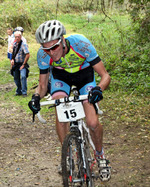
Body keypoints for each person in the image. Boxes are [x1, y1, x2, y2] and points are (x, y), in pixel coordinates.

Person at [28, 20, 111, 181]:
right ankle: (67, 156)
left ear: (62, 39)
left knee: (93, 123)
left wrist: (98, 89)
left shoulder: (81, 44)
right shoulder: (43, 54)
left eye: (54, 47)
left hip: (85, 77)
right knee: (59, 106)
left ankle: (100, 155)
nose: (51, 53)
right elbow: (43, 84)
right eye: (46, 48)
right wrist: (36, 96)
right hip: (61, 78)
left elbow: (105, 76)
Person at [11, 31, 30, 96]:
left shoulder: (23, 44)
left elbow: (27, 55)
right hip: (16, 64)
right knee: (16, 78)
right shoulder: (14, 44)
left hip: (22, 63)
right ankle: (19, 91)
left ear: (21, 37)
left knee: (23, 76)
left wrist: (24, 64)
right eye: (16, 37)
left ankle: (24, 92)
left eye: (18, 37)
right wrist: (12, 60)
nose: (17, 38)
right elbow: (13, 54)